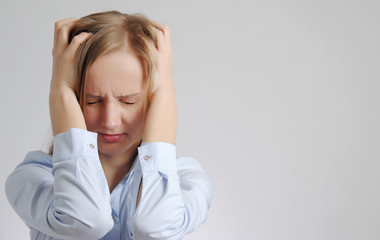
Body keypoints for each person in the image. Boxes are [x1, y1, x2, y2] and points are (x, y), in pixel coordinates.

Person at [5, 10, 213, 240]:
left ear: (153, 102)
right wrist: (61, 90)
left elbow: (156, 227)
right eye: (91, 100)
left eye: (129, 101)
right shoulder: (31, 178)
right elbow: (84, 222)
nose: (110, 121)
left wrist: (165, 93)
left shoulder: (187, 182)